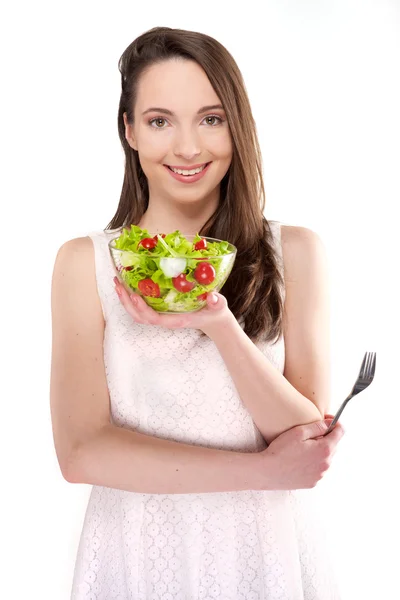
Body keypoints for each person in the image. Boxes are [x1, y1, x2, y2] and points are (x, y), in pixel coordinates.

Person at [50, 26, 345, 600]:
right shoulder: (83, 263)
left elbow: (303, 436)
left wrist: (218, 323)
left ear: (238, 127)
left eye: (211, 119)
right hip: (136, 549)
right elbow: (81, 452)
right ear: (129, 131)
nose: (188, 147)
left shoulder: (297, 252)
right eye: (160, 121)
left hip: (266, 549)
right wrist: (261, 473)